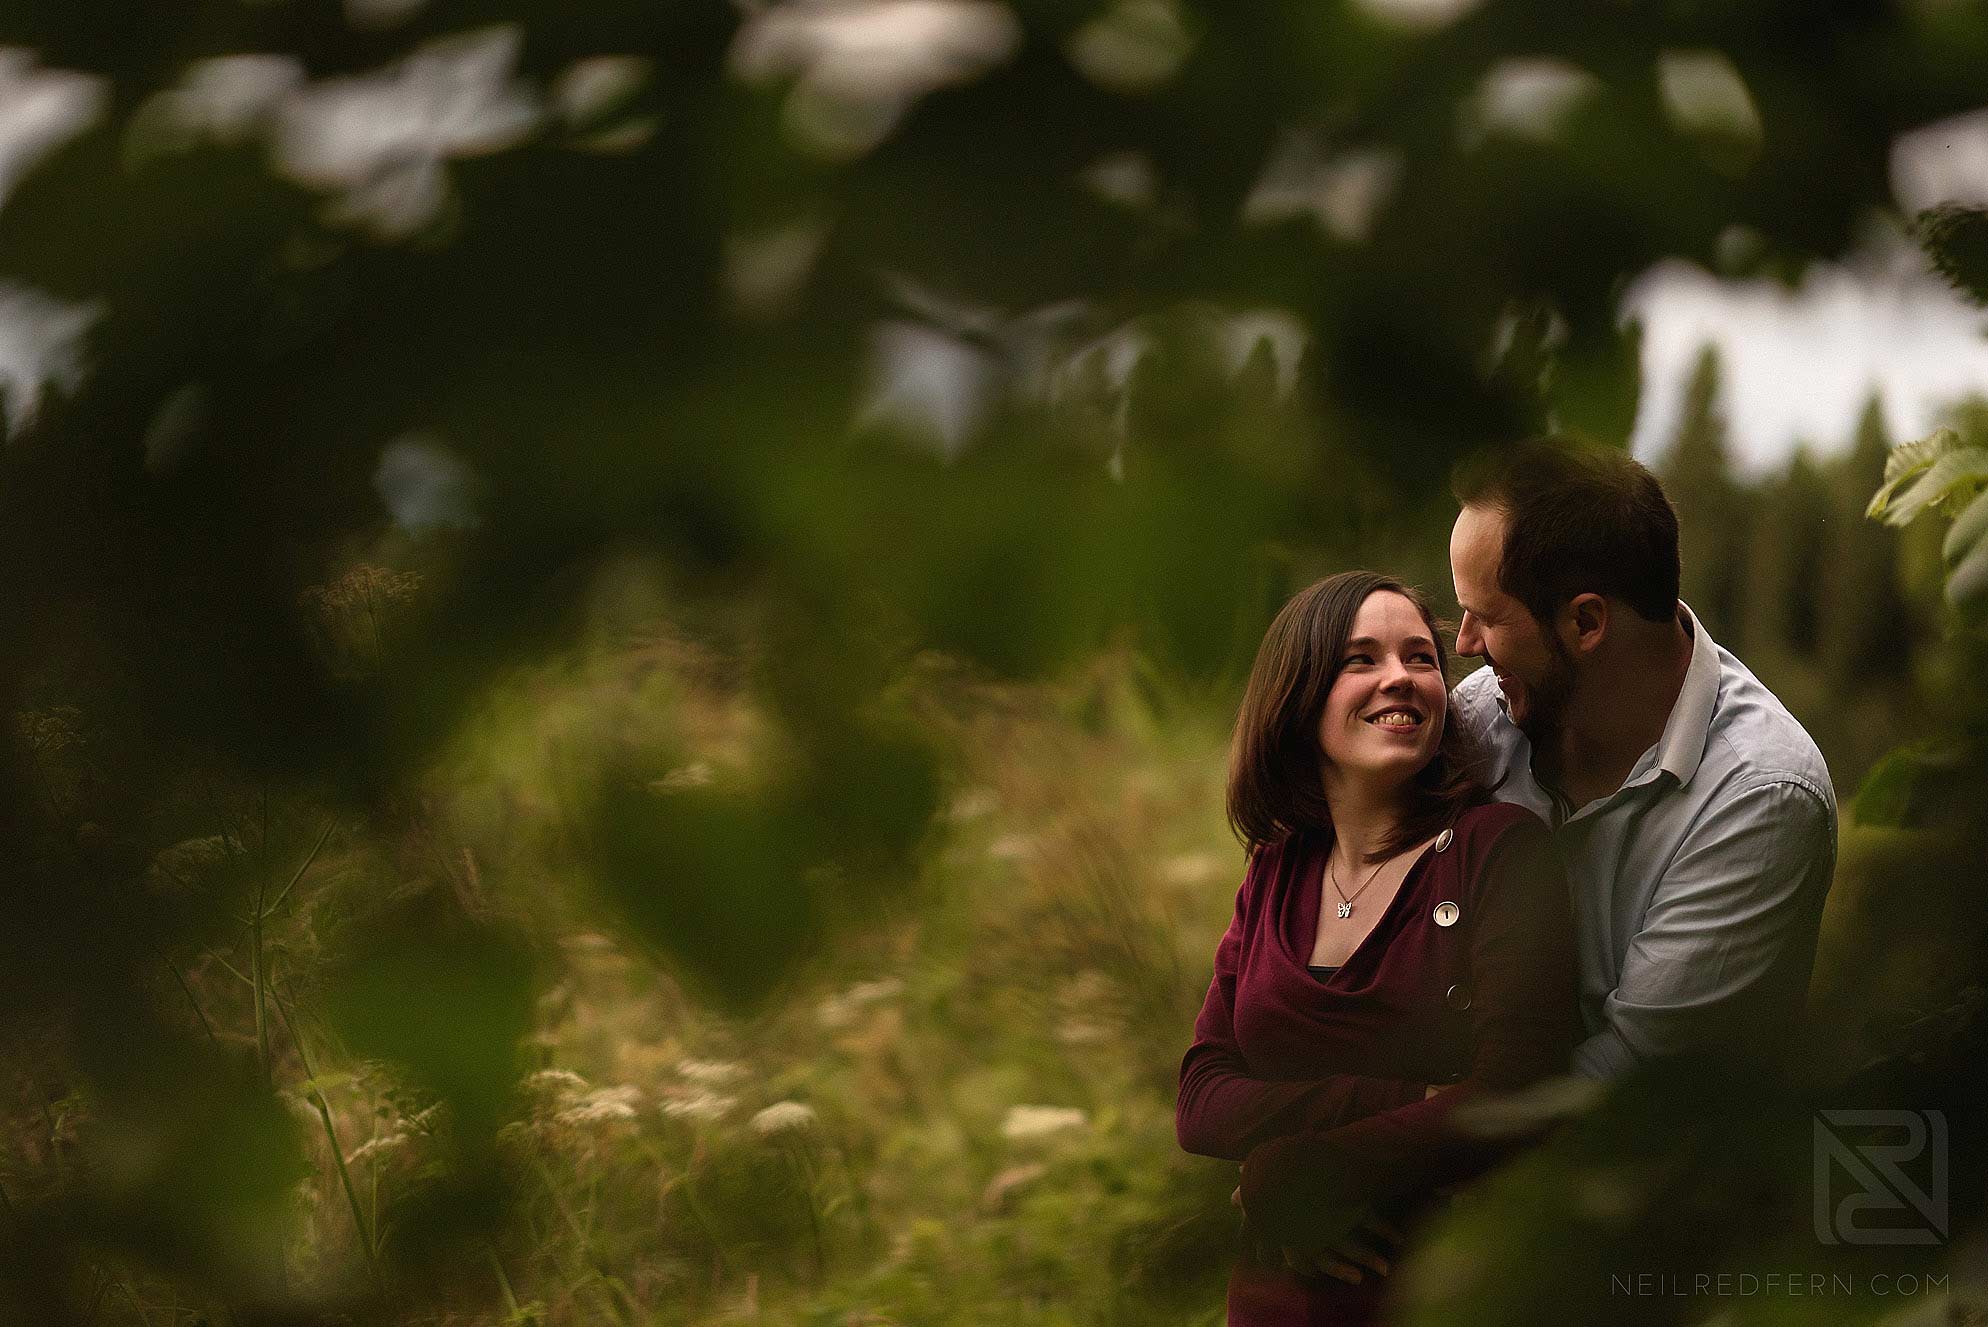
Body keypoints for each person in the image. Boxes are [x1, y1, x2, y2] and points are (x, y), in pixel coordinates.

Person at [1176, 570, 1579, 1326]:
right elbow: (1200, 1096)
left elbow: (1518, 1091)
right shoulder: (1276, 865)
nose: (1401, 677)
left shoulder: (1498, 851)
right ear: (1299, 697)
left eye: (1421, 658)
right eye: (1361, 658)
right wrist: (1393, 1107)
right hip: (1272, 1299)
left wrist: (1295, 1167)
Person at [1447, 439, 1837, 1078]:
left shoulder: (1758, 797)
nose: (1463, 644)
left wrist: (1398, 1143)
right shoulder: (1487, 716)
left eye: (1484, 617)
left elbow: (1625, 1086)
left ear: (1585, 624)